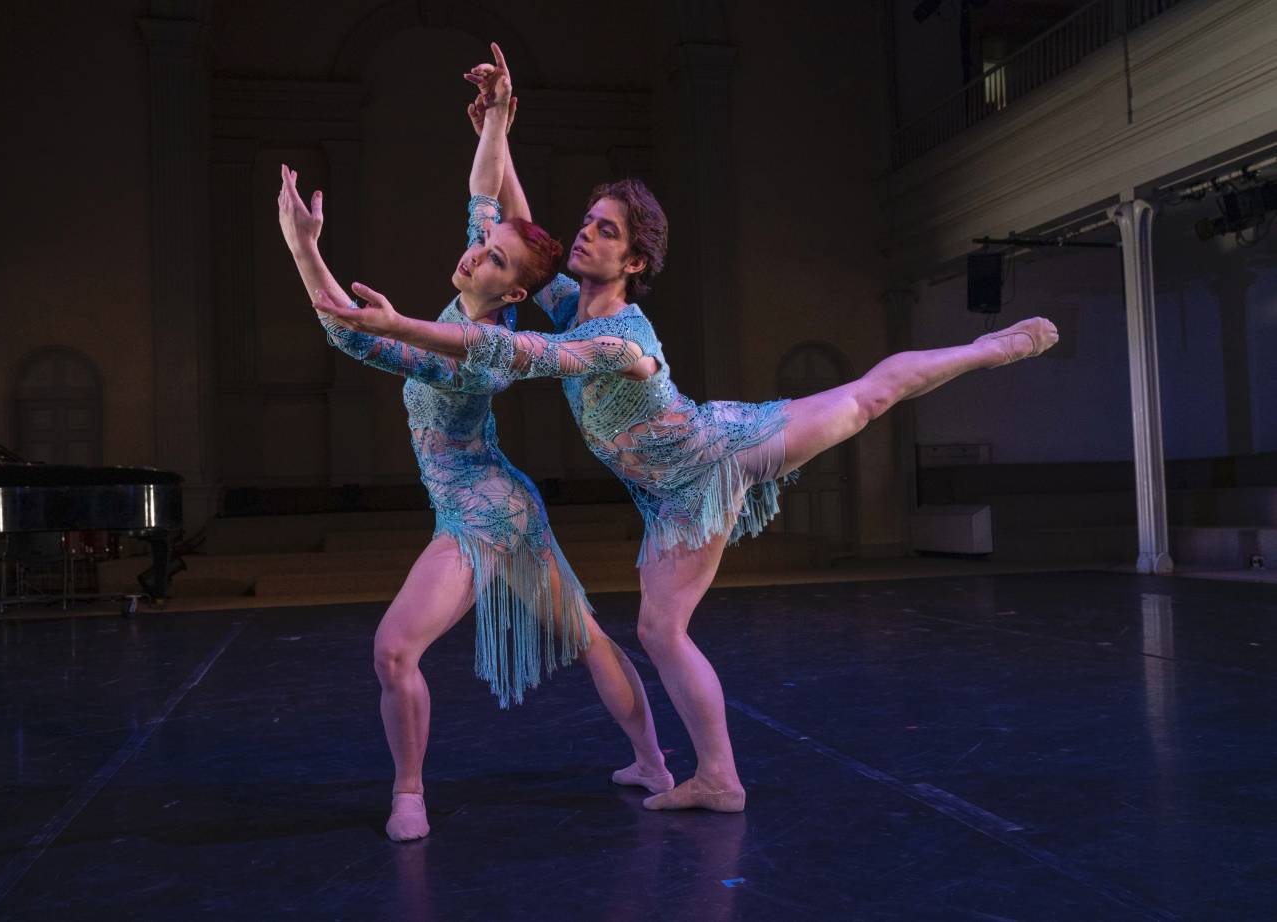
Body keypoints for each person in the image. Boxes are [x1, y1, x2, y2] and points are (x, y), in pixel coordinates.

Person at [313, 45, 1058, 814]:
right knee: (661, 633)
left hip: (717, 453)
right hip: (664, 502)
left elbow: (514, 347)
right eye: (589, 224)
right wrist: (500, 121)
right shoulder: (571, 303)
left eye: (604, 231)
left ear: (634, 259)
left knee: (865, 399)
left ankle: (984, 348)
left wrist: (398, 323)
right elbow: (521, 235)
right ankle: (717, 779)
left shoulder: (621, 338)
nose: (586, 236)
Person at [277, 46, 671, 841]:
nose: (476, 249)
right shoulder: (476, 288)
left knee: (396, 649)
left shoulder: (477, 357)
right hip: (500, 494)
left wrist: (301, 247)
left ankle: (411, 795)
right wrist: (497, 116)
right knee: (588, 635)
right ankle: (655, 765)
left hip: (482, 513)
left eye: (492, 257)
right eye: (481, 244)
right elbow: (483, 190)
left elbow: (356, 334)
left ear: (513, 290)